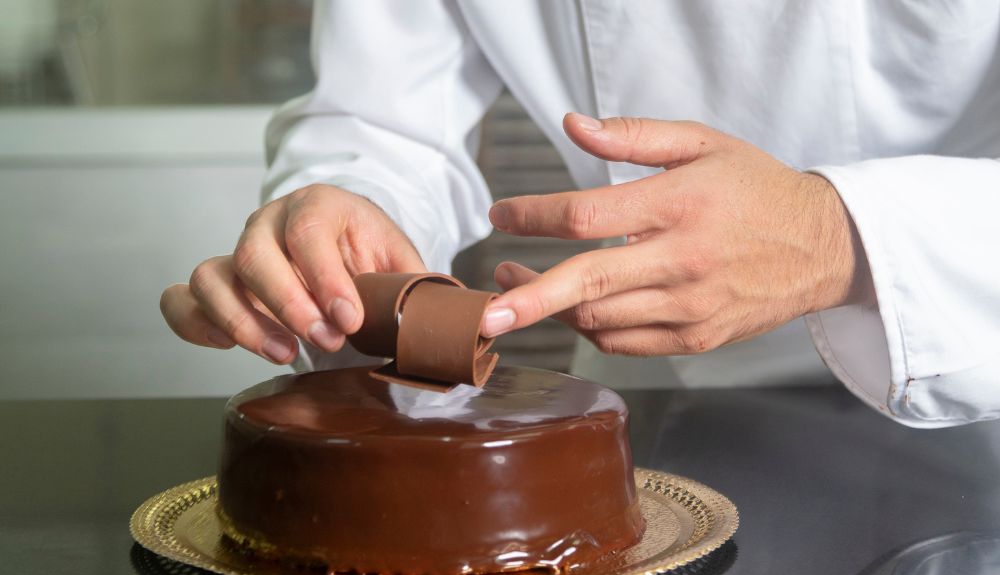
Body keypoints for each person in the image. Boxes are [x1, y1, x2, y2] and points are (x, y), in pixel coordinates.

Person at [160, 1, 1000, 429]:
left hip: (969, 383)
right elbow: (384, 119)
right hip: (650, 423)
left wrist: (839, 239)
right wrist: (343, 207)